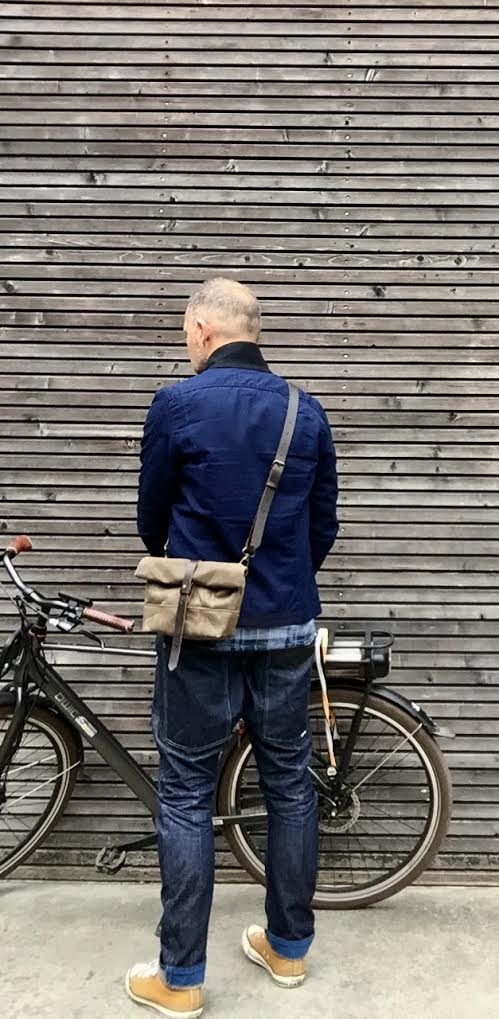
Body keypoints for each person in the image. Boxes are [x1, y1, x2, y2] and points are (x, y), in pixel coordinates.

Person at [126, 277, 339, 1018]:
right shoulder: (303, 411)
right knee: (288, 783)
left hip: (199, 625)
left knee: (185, 790)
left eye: (187, 332)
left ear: (203, 330)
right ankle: (287, 948)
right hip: (285, 623)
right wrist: (277, 585)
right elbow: (324, 525)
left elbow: (151, 516)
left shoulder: (177, 405)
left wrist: (202, 572)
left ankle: (180, 980)